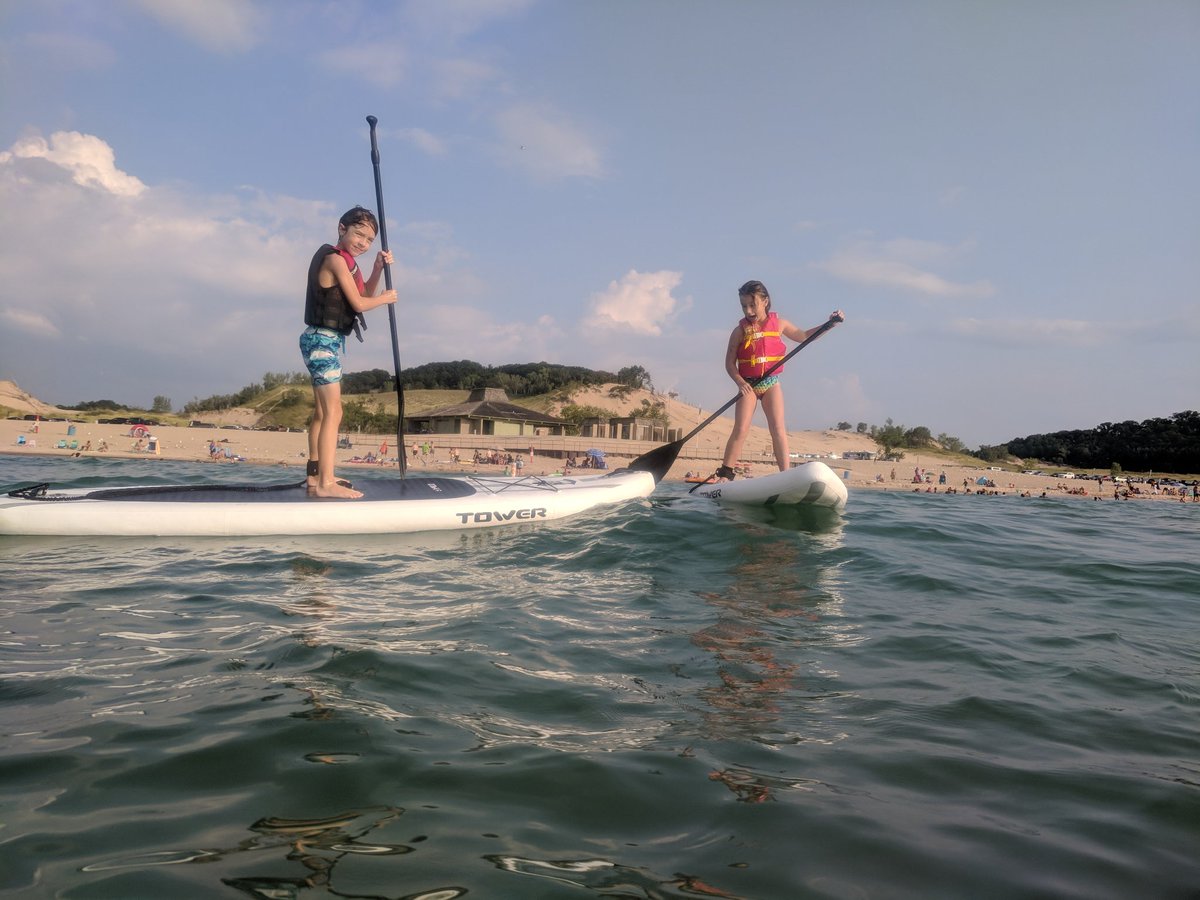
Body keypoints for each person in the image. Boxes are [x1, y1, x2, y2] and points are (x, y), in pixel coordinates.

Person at [300, 206, 397, 498]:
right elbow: (360, 304)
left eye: (369, 240)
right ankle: (325, 484)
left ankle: (314, 476)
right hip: (322, 342)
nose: (363, 244)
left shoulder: (348, 263)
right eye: (358, 235)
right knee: (334, 410)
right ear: (342, 229)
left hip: (321, 341)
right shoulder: (335, 259)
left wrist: (378, 269)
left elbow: (363, 292)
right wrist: (387, 299)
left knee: (321, 412)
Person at [715, 280, 843, 480]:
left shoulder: (780, 324)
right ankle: (726, 473)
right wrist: (740, 382)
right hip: (748, 384)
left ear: (765, 301)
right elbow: (730, 364)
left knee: (778, 429)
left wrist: (829, 325)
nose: (748, 311)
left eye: (752, 305)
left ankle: (786, 476)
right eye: (743, 306)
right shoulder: (739, 331)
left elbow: (803, 336)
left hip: (770, 383)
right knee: (741, 428)